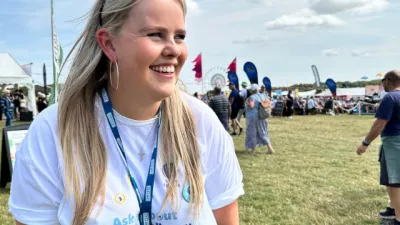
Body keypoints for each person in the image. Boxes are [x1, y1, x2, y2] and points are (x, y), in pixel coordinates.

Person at [8, 1, 244, 224]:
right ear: (109, 44)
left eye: (179, 36)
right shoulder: (52, 133)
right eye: (155, 34)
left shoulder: (202, 123)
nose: (174, 49)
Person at [356, 70, 400, 225]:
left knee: (395, 181)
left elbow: (379, 124)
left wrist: (365, 143)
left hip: (393, 144)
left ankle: (398, 219)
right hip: (393, 142)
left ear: (388, 81)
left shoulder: (390, 98)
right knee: (391, 179)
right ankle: (393, 209)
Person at [245, 84, 274, 155]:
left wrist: (247, 103)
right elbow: (269, 104)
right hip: (263, 117)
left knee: (252, 133)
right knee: (263, 132)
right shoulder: (263, 96)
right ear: (257, 89)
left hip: (253, 117)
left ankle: (253, 150)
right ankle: (270, 148)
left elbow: (251, 106)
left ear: (252, 90)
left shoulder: (251, 97)